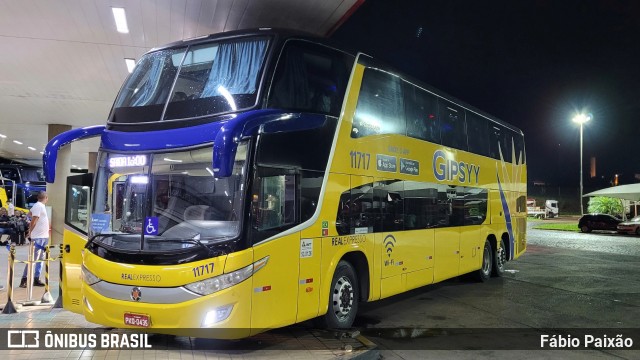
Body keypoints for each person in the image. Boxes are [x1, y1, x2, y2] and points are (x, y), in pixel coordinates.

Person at [20, 191, 49, 288]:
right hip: (38, 237)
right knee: (33, 259)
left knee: (40, 259)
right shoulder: (39, 206)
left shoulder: (39, 206)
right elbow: (34, 220)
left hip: (43, 236)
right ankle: (24, 279)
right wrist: (30, 232)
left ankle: (36, 278)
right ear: (46, 198)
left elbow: (29, 215)